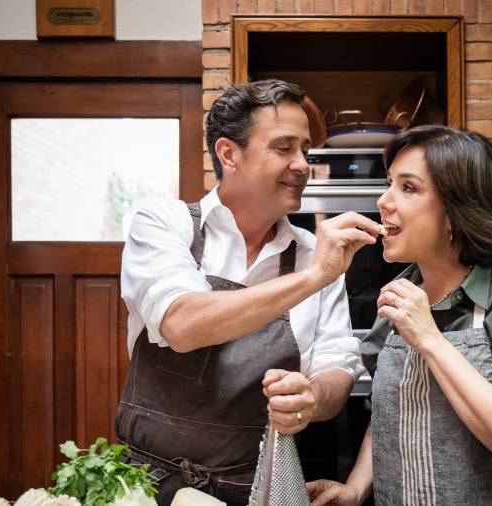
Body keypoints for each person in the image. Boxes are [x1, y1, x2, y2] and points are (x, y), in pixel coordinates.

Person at [115, 79, 380, 505]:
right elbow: (182, 322)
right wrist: (313, 277)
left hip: (256, 490)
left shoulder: (314, 253)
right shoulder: (166, 223)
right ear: (228, 153)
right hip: (144, 488)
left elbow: (338, 368)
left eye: (305, 150)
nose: (302, 165)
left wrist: (313, 398)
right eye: (283, 148)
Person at [306, 125, 492, 505]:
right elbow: (393, 413)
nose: (382, 201)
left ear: (457, 211)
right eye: (389, 183)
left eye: (407, 188)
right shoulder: (399, 297)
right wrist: (357, 487)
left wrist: (429, 339)